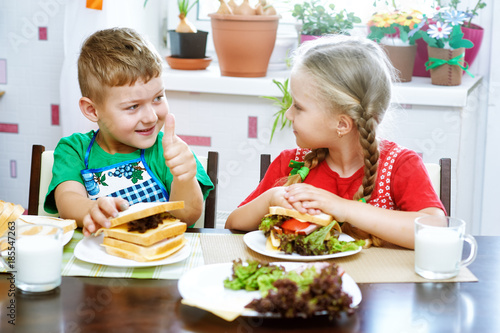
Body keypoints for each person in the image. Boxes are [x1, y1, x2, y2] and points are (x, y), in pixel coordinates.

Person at [225, 35, 445, 249]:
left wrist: (343, 208)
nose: (288, 114)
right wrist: (270, 199)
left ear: (342, 124)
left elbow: (435, 232)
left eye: (299, 107)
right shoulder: (291, 164)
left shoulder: (399, 165)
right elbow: (232, 223)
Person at [44, 27, 213, 236]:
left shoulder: (168, 152)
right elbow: (67, 200)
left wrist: (184, 178)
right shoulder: (74, 149)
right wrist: (92, 209)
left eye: (158, 98)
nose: (151, 117)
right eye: (133, 106)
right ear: (92, 110)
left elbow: (187, 216)